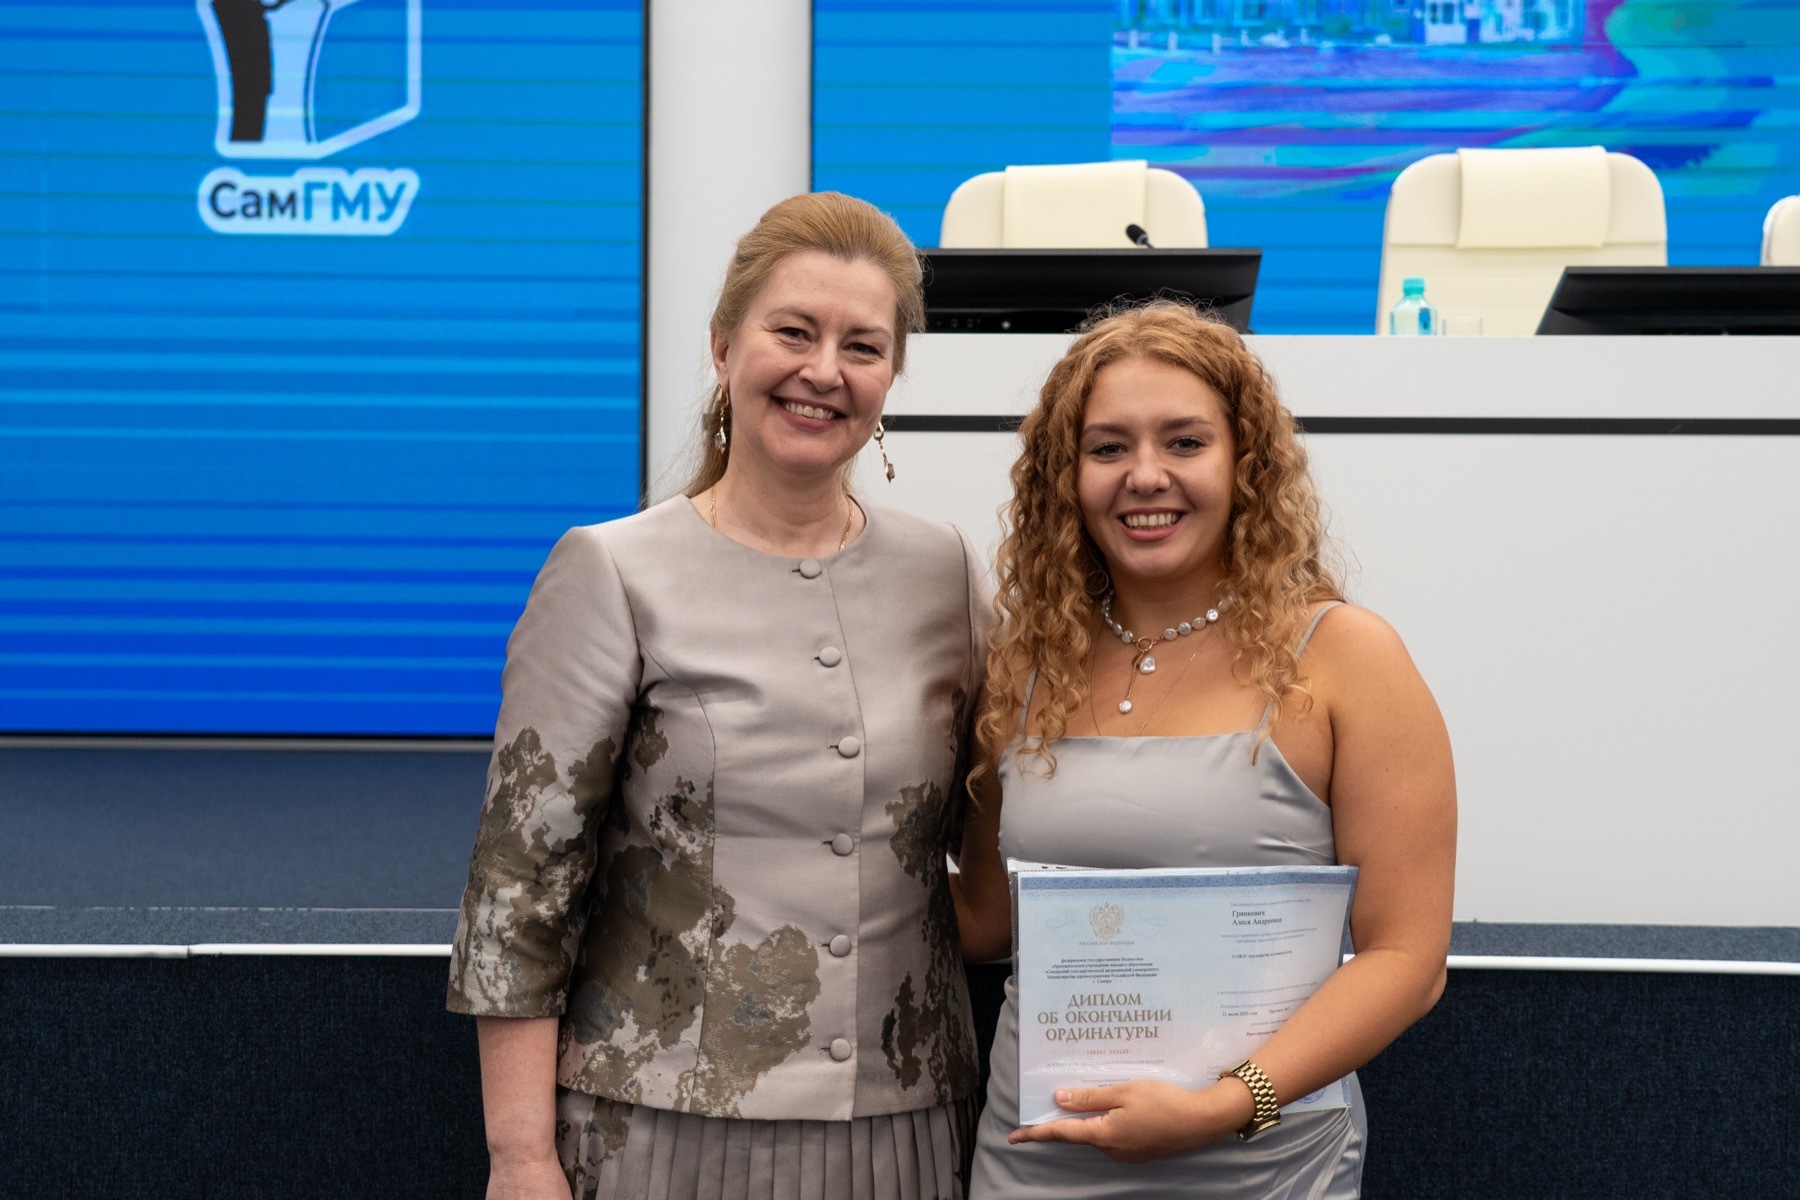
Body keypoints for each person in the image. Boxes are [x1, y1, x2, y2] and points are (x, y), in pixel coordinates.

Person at [448, 192, 989, 1200]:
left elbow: (994, 824)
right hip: (663, 1131)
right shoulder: (611, 570)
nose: (824, 370)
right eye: (794, 332)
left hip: (905, 1128)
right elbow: (521, 893)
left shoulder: (947, 572)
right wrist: (519, 1157)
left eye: (863, 347)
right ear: (723, 345)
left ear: (892, 376)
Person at [951, 301, 1456, 1197]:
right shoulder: (1026, 664)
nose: (1145, 475)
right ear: (1066, 476)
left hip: (1262, 1164)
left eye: (1185, 442)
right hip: (1035, 1158)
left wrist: (1225, 1104)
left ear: (1244, 462)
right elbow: (987, 920)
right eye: (1108, 448)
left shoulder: (1346, 657)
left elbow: (1405, 962)